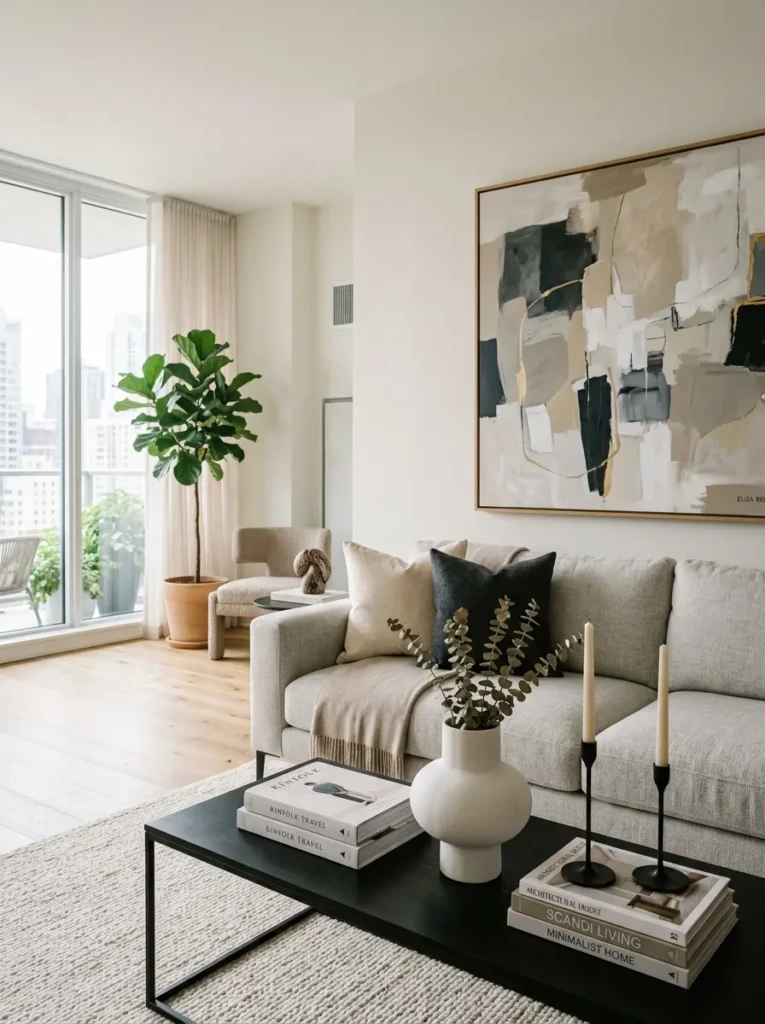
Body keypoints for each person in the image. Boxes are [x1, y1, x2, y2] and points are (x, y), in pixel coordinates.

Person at [305, 780, 376, 805]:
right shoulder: (315, 788)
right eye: (310, 784)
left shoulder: (324, 783)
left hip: (340, 790)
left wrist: (341, 789)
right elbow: (325, 792)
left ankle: (369, 798)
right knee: (351, 797)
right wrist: (337, 792)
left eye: (311, 783)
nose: (312, 783)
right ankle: (366, 802)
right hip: (336, 793)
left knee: (355, 793)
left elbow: (334, 785)